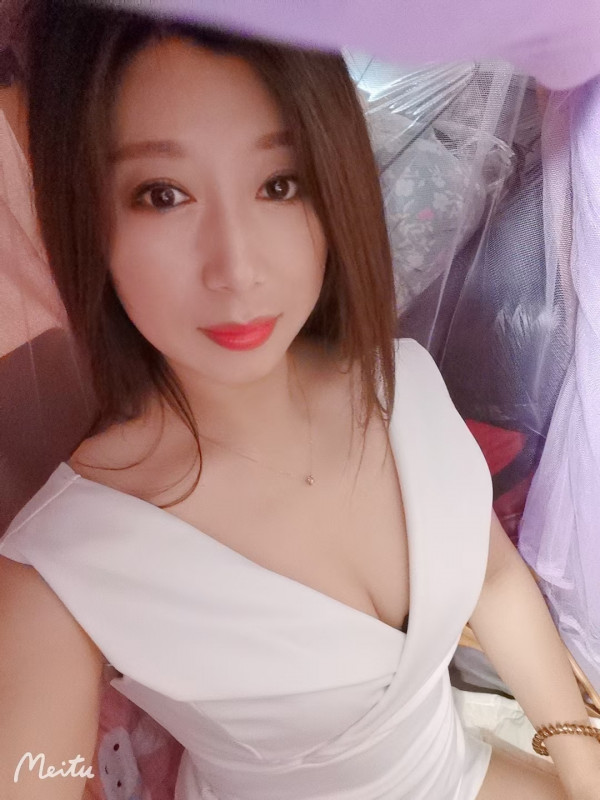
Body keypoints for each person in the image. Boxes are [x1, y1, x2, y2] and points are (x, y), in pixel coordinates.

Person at [0, 2, 599, 798]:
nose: (236, 267)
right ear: (88, 214)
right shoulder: (61, 567)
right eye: (162, 194)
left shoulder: (404, 382)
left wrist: (580, 762)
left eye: (278, 184)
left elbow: (493, 583)